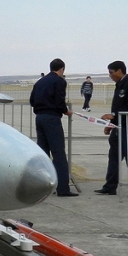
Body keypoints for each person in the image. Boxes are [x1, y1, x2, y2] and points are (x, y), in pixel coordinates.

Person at [95, 61, 128, 198]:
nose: (110, 75)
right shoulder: (119, 85)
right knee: (114, 157)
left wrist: (113, 115)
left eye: (111, 72)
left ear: (119, 71)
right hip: (117, 127)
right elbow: (118, 108)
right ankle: (110, 186)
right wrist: (111, 123)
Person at [29, 59, 77, 196]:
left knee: (43, 153)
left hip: (39, 117)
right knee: (58, 154)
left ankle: (40, 187)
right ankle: (62, 188)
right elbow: (59, 100)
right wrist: (65, 111)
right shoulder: (59, 81)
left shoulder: (40, 82)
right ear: (62, 69)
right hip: (52, 118)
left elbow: (32, 100)